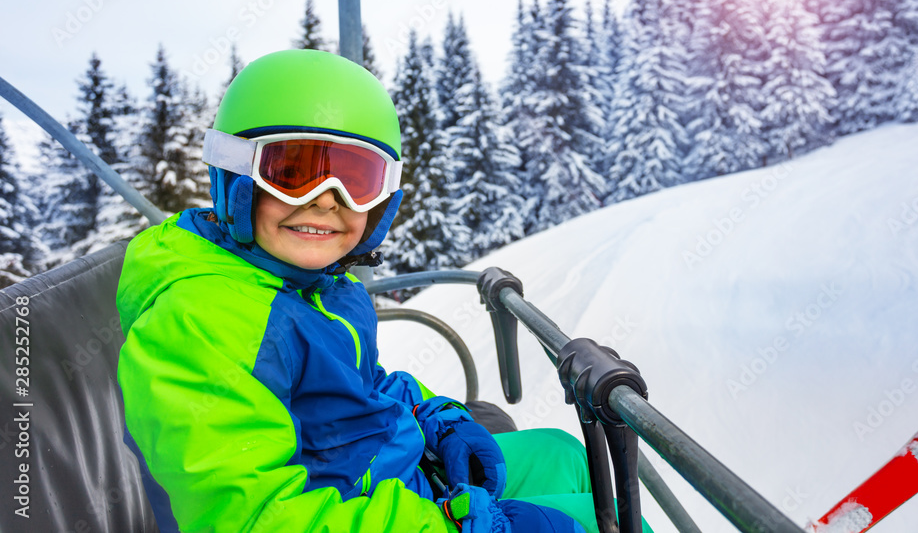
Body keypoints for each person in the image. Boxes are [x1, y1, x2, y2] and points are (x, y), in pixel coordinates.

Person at [116, 49, 610, 532]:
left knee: (564, 456)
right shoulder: (204, 319)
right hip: (362, 508)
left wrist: (431, 414)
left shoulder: (322, 285)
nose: (328, 201)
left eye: (356, 179)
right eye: (292, 172)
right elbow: (249, 518)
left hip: (397, 483)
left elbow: (366, 383)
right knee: (592, 522)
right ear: (235, 173)